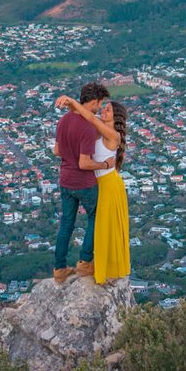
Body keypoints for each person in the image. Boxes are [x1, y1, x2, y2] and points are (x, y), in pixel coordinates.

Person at [53, 91, 131, 284]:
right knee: (97, 222)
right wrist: (72, 107)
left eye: (108, 110)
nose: (104, 111)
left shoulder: (113, 135)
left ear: (117, 117)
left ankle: (95, 264)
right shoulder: (95, 129)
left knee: (102, 224)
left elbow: (87, 115)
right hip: (94, 181)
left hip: (108, 183)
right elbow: (84, 116)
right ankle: (86, 262)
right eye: (103, 107)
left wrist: (71, 102)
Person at [51, 81, 110, 283]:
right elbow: (84, 163)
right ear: (93, 102)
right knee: (95, 217)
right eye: (100, 104)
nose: (100, 108)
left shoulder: (64, 120)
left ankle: (59, 268)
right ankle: (85, 263)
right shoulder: (88, 127)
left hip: (65, 180)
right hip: (84, 182)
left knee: (66, 223)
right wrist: (103, 164)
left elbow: (57, 151)